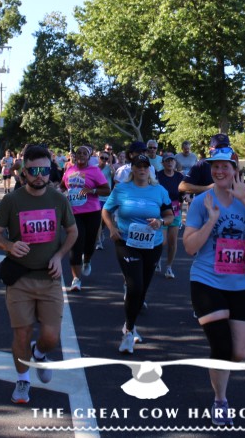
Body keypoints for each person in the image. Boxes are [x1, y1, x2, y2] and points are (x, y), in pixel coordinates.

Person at [183, 147, 245, 426]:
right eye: (215, 166)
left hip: (238, 283)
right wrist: (211, 219)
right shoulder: (202, 202)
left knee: (240, 353)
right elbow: (189, 247)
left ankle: (218, 369)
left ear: (235, 170)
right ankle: (220, 400)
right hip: (206, 280)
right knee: (222, 347)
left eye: (225, 166)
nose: (219, 171)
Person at [0, 145, 78, 405]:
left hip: (49, 278)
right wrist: (8, 245)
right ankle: (23, 379)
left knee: (50, 337)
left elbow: (72, 232)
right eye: (34, 171)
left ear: (51, 171)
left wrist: (59, 256)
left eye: (44, 171)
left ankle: (39, 354)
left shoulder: (59, 200)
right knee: (22, 334)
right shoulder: (12, 201)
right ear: (24, 172)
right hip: (20, 278)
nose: (40, 176)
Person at [101, 151, 174, 353]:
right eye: (138, 166)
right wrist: (111, 228)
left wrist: (161, 222)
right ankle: (128, 332)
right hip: (126, 242)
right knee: (135, 286)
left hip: (152, 245)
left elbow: (169, 214)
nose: (142, 169)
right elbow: (106, 210)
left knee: (142, 290)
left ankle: (129, 325)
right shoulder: (121, 189)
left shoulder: (159, 190)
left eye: (145, 167)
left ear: (149, 169)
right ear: (132, 169)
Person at [62, 146, 111, 292]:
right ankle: (76, 279)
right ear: (75, 156)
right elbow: (62, 186)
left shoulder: (94, 171)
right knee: (76, 243)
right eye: (79, 153)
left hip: (92, 213)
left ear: (89, 157)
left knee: (89, 244)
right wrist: (57, 191)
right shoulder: (69, 170)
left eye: (85, 153)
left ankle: (87, 260)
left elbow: (107, 190)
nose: (81, 155)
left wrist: (92, 190)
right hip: (74, 213)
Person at [156, 152, 185, 278]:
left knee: (173, 241)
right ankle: (157, 259)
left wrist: (186, 197)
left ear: (175, 162)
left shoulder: (179, 176)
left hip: (175, 211)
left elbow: (183, 193)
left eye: (172, 160)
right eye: (167, 161)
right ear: (163, 163)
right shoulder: (158, 176)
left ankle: (169, 267)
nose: (170, 163)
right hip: (161, 211)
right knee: (162, 241)